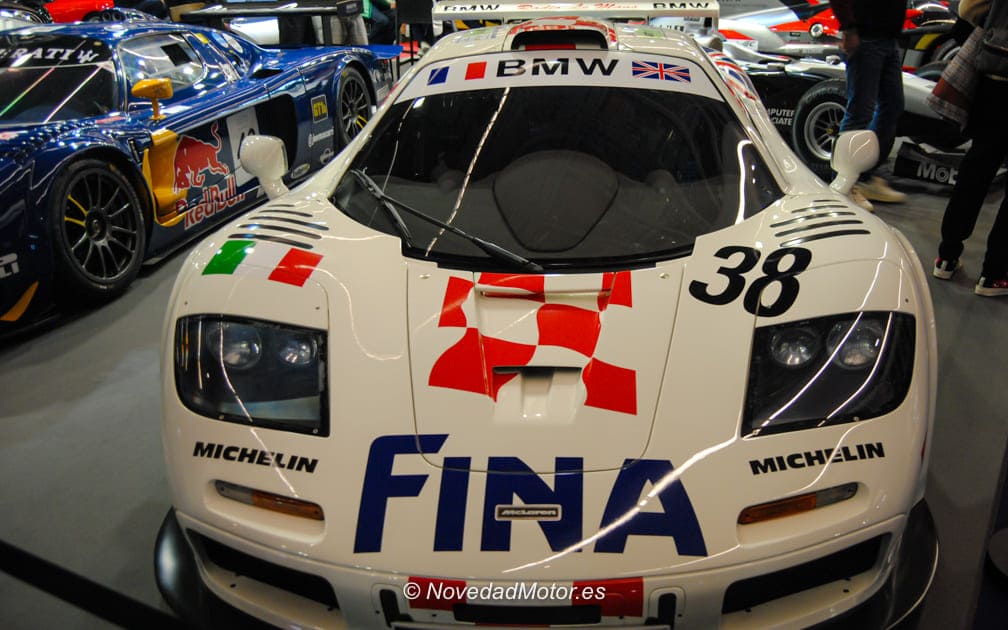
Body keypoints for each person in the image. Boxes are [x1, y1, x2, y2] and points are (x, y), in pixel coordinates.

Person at [932, 0, 1008, 296]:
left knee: (976, 167)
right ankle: (994, 274)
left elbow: (967, 9)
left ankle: (947, 256)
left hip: (995, 77)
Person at [828, 0, 909, 212]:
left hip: (888, 39)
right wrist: (849, 28)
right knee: (860, 112)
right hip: (866, 38)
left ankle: (866, 175)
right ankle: (846, 184)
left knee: (892, 106)